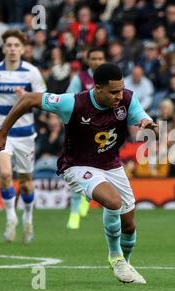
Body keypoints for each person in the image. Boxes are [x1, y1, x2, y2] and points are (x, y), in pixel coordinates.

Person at [0, 63, 156, 284]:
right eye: (113, 92)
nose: (119, 96)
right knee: (113, 201)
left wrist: (146, 121)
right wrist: (2, 133)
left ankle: (125, 262)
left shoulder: (126, 98)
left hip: (111, 164)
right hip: (78, 165)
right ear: (98, 89)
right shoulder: (72, 103)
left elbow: (138, 113)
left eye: (121, 90)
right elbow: (29, 99)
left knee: (129, 224)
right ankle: (115, 258)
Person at [0, 29, 46, 244]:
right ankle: (10, 217)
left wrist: (27, 98)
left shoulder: (31, 72)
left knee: (26, 182)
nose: (13, 49)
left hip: (25, 134)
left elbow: (44, 99)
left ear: (23, 48)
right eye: (9, 45)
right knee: (6, 174)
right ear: (3, 48)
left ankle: (28, 217)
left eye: (17, 45)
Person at [65, 47, 106, 229]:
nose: (97, 61)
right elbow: (68, 101)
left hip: (103, 134)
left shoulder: (110, 80)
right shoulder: (79, 79)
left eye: (100, 58)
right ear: (88, 61)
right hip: (80, 133)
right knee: (78, 171)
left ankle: (86, 199)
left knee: (100, 171)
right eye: (94, 58)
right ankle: (74, 212)